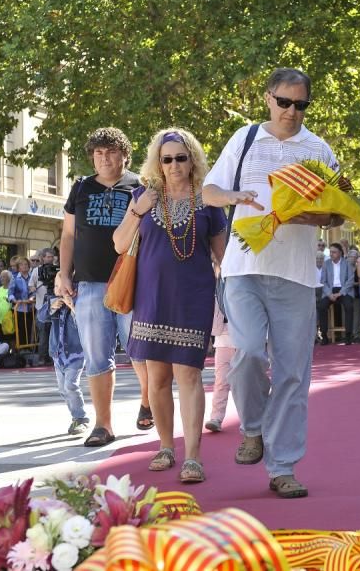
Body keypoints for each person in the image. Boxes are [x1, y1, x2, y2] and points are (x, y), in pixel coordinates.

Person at [203, 67, 344, 499]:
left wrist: (310, 214)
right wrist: (235, 198)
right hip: (243, 268)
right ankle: (253, 428)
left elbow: (338, 214)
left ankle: (282, 467)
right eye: (284, 102)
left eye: (301, 105)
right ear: (268, 99)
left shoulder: (318, 148)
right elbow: (209, 191)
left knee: (292, 375)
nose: (291, 112)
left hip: (297, 275)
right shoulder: (245, 138)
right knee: (244, 353)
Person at [115, 128, 226, 484]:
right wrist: (137, 210)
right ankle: (165, 447)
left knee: (189, 375)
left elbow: (224, 257)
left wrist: (232, 300)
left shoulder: (208, 199)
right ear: (157, 163)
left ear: (192, 159)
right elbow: (119, 244)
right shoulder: (142, 196)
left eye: (181, 157)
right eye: (167, 159)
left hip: (192, 298)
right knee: (158, 379)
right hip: (151, 298)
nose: (174, 164)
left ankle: (193, 457)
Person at [54, 127, 144, 448]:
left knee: (141, 351)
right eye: (98, 153)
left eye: (110, 152)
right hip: (89, 284)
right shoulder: (81, 188)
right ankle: (102, 425)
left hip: (131, 280)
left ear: (124, 155)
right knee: (96, 358)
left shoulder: (139, 186)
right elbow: (67, 236)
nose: (104, 158)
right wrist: (64, 274)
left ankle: (148, 402)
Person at [48, 296, 89, 436]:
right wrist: (52, 306)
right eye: (56, 287)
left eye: (62, 287)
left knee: (70, 385)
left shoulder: (79, 301)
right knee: (63, 389)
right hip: (58, 355)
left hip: (75, 354)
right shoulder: (53, 301)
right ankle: (75, 416)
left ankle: (81, 417)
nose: (60, 290)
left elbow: (84, 322)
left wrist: (73, 307)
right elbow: (41, 317)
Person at [205, 297, 235, 433]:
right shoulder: (217, 288)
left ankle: (252, 419)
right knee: (221, 381)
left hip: (245, 340)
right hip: (222, 339)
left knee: (246, 384)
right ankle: (216, 418)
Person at [317, 242, 355, 345]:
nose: (331, 254)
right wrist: (329, 294)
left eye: (334, 252)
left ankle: (348, 335)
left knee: (349, 306)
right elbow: (323, 281)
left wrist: (340, 293)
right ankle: (324, 335)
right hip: (330, 290)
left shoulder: (347, 263)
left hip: (344, 291)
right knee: (321, 306)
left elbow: (350, 280)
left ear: (340, 253)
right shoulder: (326, 263)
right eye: (330, 252)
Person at [8, 258, 34, 348]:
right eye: (22, 264)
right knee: (20, 329)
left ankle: (31, 348)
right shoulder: (14, 277)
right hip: (19, 308)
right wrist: (15, 300)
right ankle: (21, 349)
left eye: (26, 264)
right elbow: (10, 293)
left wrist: (32, 298)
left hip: (31, 308)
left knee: (30, 328)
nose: (24, 266)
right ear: (18, 267)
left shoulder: (33, 276)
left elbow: (35, 291)